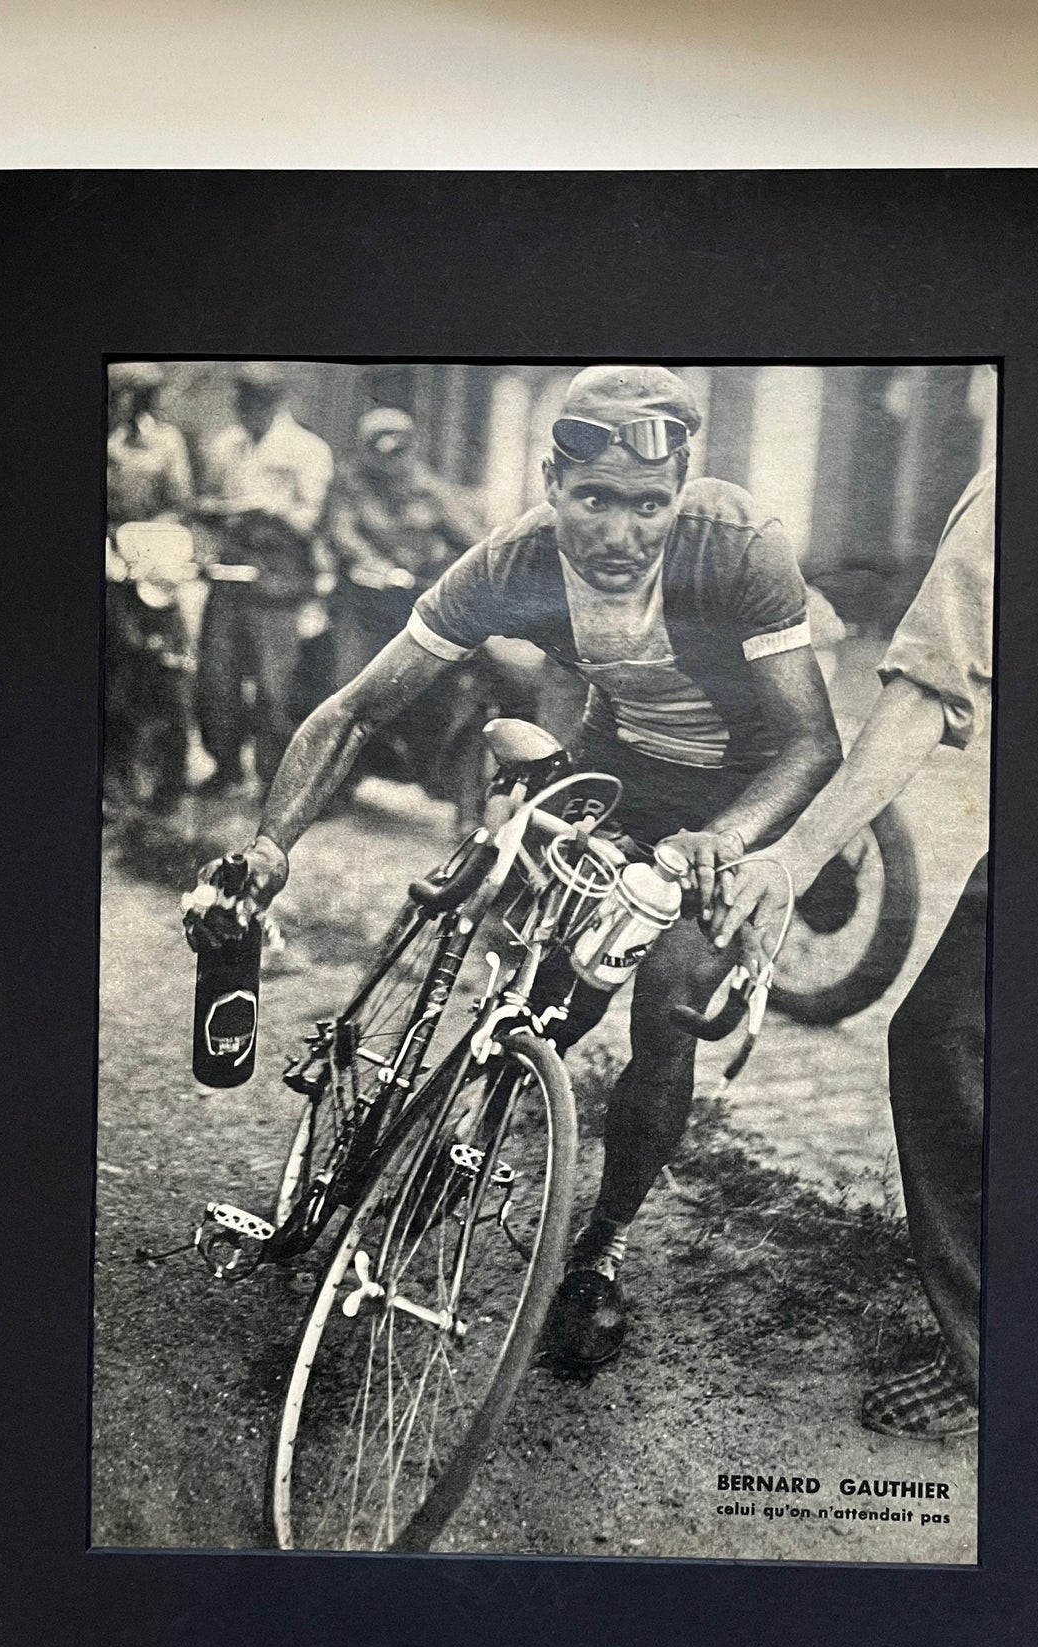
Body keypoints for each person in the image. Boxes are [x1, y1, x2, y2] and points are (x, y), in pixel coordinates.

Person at [185, 365, 842, 1371]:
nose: (619, 533)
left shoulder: (734, 545)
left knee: (664, 995)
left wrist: (725, 842)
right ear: (548, 481)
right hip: (620, 768)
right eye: (591, 501)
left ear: (679, 493)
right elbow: (355, 707)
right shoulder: (511, 561)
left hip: (739, 791)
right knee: (540, 997)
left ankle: (601, 1250)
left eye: (645, 506)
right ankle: (412, 1208)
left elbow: (810, 746)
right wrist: (274, 843)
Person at [713, 461, 996, 1437]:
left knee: (944, 1038)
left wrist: (790, 857)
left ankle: (983, 1356)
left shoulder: (1018, 485)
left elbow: (923, 691)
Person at [193, 363, 335, 793]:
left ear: (276, 402)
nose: (247, 410)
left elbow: (313, 521)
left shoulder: (308, 450)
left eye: (257, 401)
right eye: (242, 400)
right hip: (229, 576)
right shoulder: (226, 446)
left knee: (276, 690)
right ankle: (226, 767)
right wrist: (219, 517)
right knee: (216, 680)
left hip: (279, 585)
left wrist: (268, 508)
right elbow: (204, 506)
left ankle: (274, 781)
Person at [327, 406, 485, 685]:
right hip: (364, 602)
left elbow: (470, 538)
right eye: (380, 452)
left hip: (415, 599)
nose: (391, 463)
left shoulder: (429, 489)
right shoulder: (350, 484)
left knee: (430, 681)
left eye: (399, 451)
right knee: (354, 681)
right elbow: (343, 534)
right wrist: (379, 566)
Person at [104, 362, 194, 808]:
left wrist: (141, 549)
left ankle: (166, 784)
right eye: (121, 396)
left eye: (138, 397)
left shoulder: (165, 443)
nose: (128, 407)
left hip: (146, 571)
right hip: (105, 571)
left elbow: (178, 506)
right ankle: (109, 781)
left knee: (157, 667)